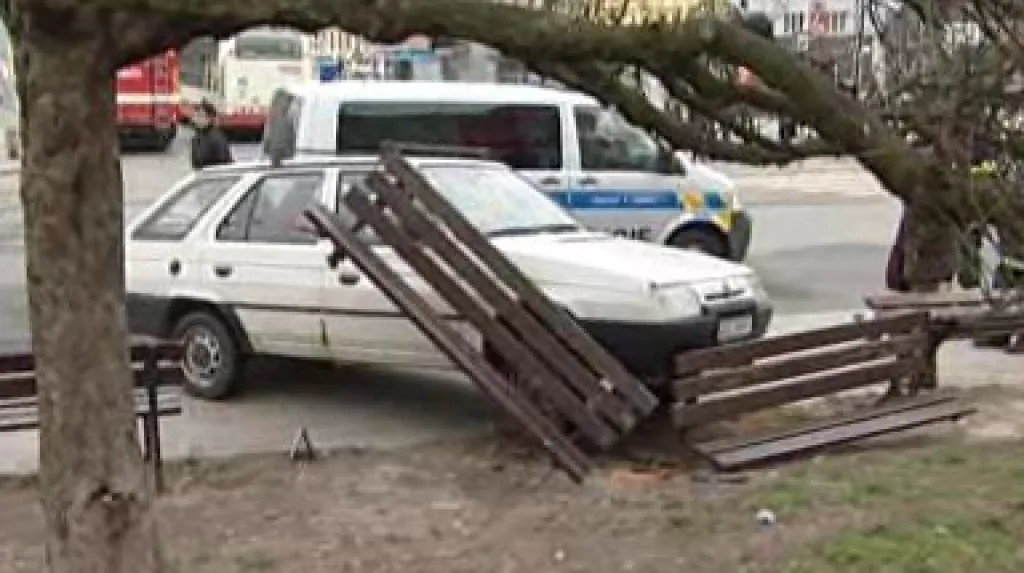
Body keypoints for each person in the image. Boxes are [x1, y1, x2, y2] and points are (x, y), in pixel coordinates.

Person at [189, 100, 233, 170]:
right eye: (195, 115)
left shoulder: (217, 138)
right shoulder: (196, 139)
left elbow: (224, 164)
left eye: (200, 116)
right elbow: (195, 164)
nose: (196, 119)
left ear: (209, 118)